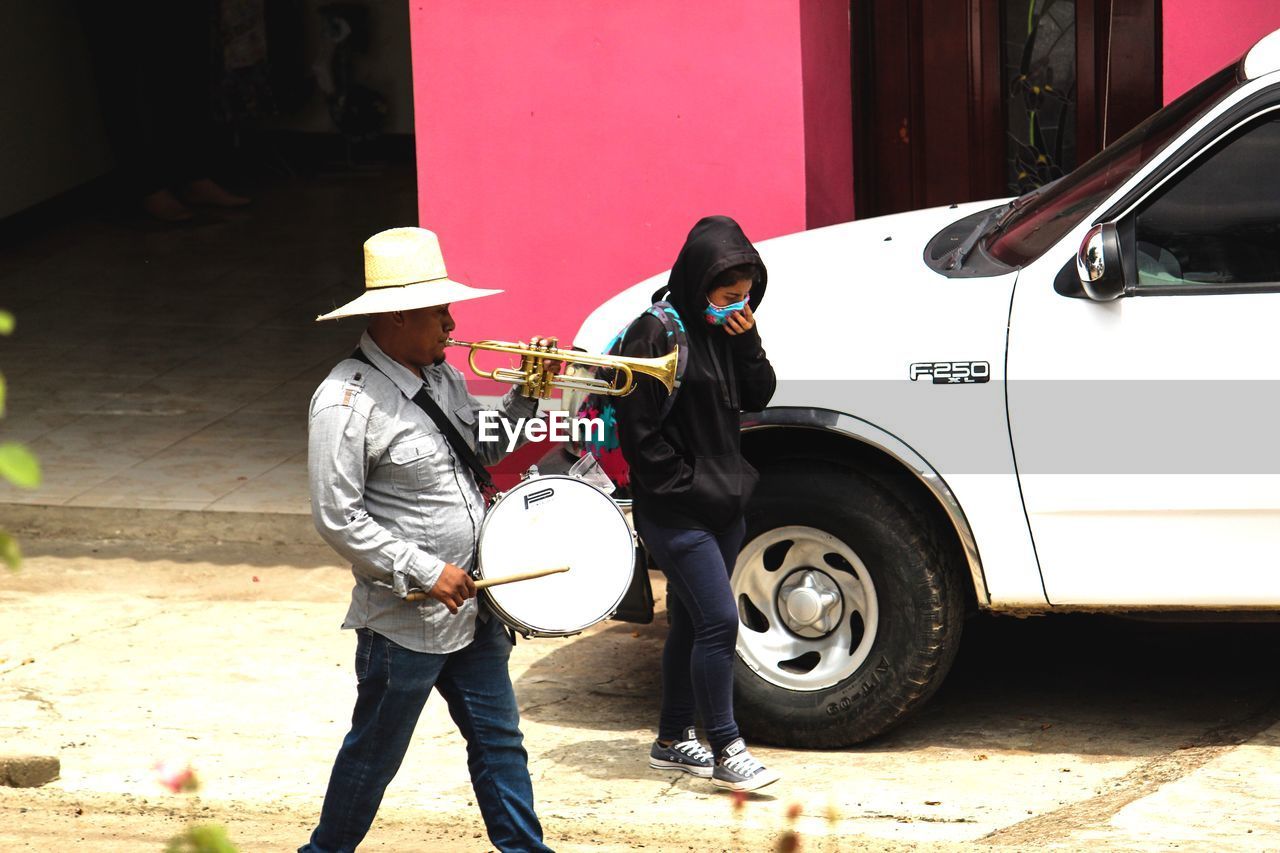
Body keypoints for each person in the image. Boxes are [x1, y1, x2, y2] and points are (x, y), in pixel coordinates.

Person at [301, 227, 553, 852]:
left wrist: (528, 394)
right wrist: (422, 569)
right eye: (438, 310)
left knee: (500, 743)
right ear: (393, 317)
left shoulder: (441, 379)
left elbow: (480, 450)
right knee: (374, 757)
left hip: (472, 607)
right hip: (403, 622)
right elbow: (337, 516)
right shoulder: (343, 400)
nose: (451, 321)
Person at [615, 215, 780, 792]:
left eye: (746, 297)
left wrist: (748, 337)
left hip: (724, 506)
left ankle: (671, 739)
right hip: (676, 509)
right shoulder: (655, 332)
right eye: (727, 296)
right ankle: (726, 746)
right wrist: (686, 484)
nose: (736, 305)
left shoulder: (727, 333)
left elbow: (760, 393)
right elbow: (638, 435)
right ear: (697, 280)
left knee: (688, 622)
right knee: (718, 620)